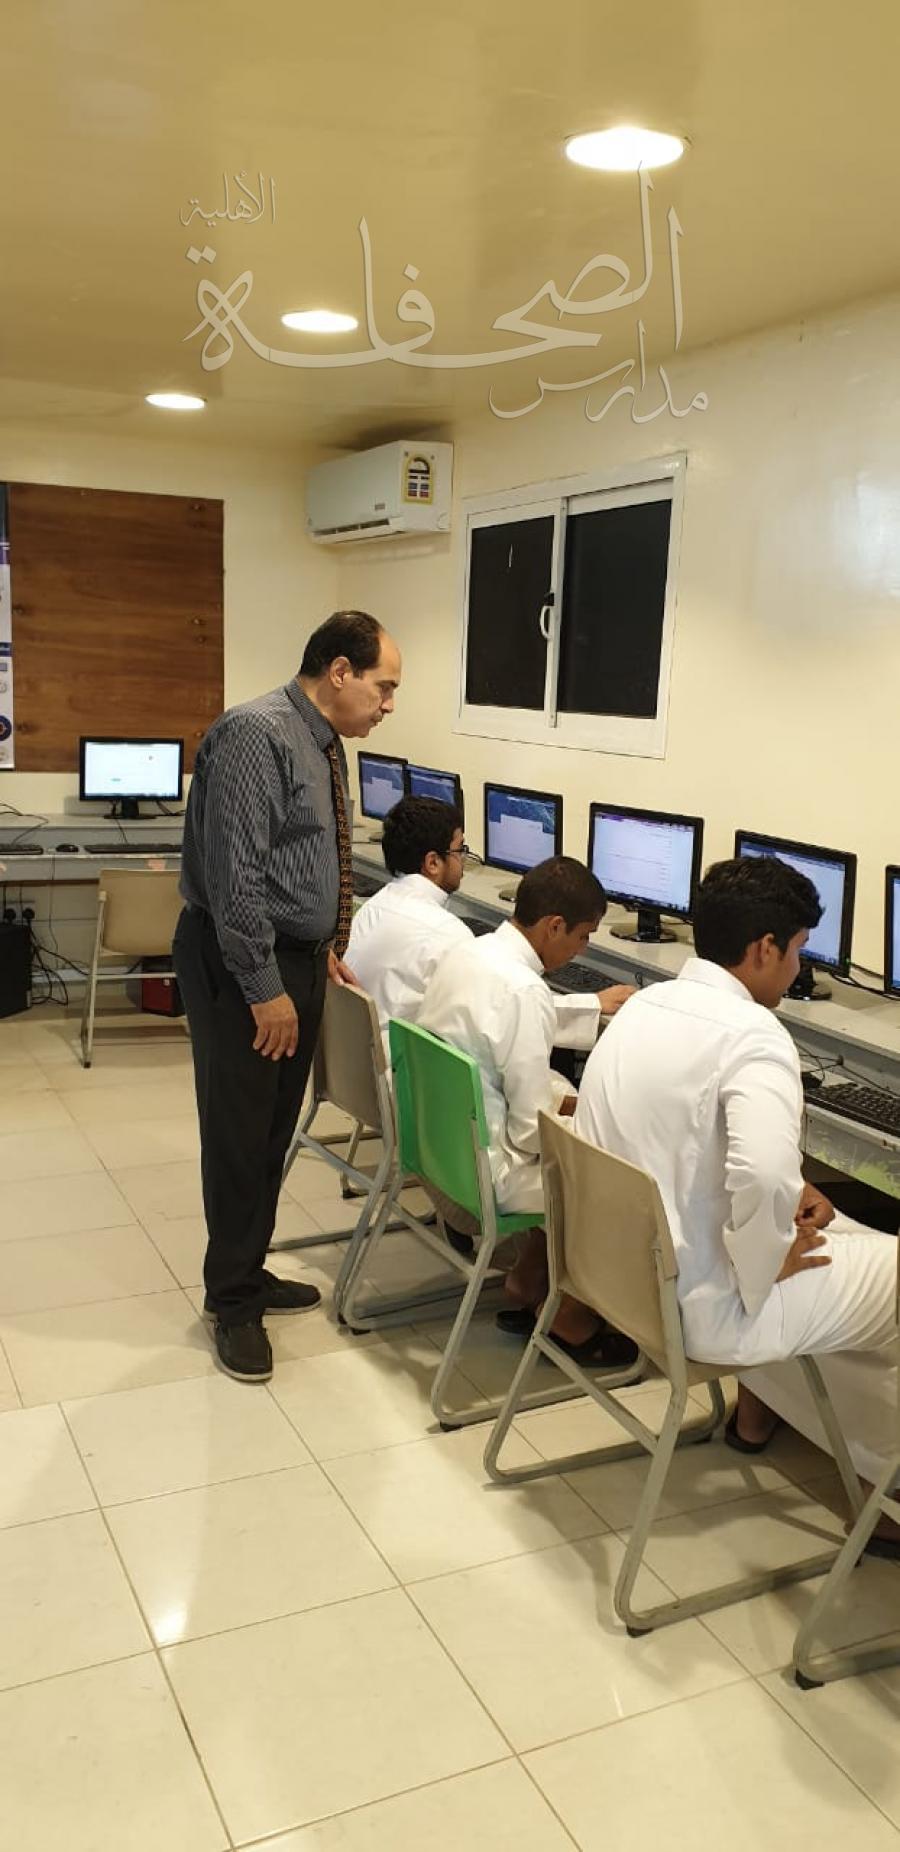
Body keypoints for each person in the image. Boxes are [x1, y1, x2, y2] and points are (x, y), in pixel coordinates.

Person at [575, 854, 900, 1553]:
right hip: (703, 1309)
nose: (798, 968)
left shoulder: (645, 1004)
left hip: (621, 1280)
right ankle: (880, 1501)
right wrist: (765, 1257)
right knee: (882, 1271)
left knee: (839, 1233)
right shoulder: (756, 1037)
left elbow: (671, 1142)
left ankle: (761, 1417)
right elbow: (758, 1173)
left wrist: (780, 1206)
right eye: (799, 951)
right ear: (765, 949)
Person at [174, 610, 402, 1384]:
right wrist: (264, 985)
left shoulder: (322, 740)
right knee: (239, 1135)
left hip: (295, 960)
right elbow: (235, 879)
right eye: (384, 687)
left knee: (271, 1131)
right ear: (339, 671)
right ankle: (233, 1304)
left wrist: (326, 944)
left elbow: (303, 858)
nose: (388, 704)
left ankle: (248, 1267)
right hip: (245, 964)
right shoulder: (257, 734)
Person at [418, 855, 636, 1361]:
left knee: (567, 1111)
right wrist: (591, 1120)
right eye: (583, 936)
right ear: (554, 926)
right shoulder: (524, 989)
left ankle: (528, 1279)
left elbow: (495, 1046)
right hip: (488, 1176)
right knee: (628, 1179)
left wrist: (562, 1104)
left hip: (442, 1156)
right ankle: (571, 1317)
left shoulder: (469, 953)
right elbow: (528, 1135)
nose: (583, 949)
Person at [346, 795, 472, 1062]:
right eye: (460, 850)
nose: (464, 860)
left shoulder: (372, 907)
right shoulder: (450, 934)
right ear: (433, 862)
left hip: (353, 1063)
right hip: (400, 1072)